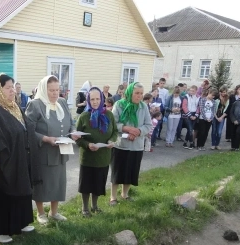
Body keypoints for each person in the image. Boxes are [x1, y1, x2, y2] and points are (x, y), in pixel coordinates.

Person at [0, 74, 41, 243]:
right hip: (3, 161)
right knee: (5, 194)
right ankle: (1, 231)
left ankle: (21, 222)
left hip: (20, 156)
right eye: (7, 88)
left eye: (13, 87)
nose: (12, 91)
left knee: (22, 188)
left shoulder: (13, 106)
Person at [26, 75, 79, 224]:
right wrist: (46, 139)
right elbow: (28, 129)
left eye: (57, 90)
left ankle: (54, 212)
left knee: (58, 182)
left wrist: (73, 132)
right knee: (42, 184)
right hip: (43, 152)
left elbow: (71, 122)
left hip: (61, 151)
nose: (55, 93)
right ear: (44, 89)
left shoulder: (62, 102)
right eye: (51, 90)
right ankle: (41, 213)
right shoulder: (35, 105)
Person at [75, 87, 117, 217]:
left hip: (103, 157)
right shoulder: (84, 116)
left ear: (102, 99)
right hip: (88, 158)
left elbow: (115, 131)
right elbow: (77, 137)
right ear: (88, 100)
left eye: (97, 99)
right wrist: (88, 144)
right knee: (86, 184)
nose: (95, 102)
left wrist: (112, 140)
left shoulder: (109, 115)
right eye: (92, 99)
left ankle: (95, 206)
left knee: (99, 183)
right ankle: (85, 208)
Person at [110, 82, 152, 203]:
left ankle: (125, 194)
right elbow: (113, 123)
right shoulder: (119, 105)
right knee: (117, 171)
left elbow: (148, 125)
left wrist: (138, 131)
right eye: (136, 93)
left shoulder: (143, 107)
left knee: (131, 171)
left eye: (141, 93)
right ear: (129, 93)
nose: (139, 96)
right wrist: (127, 129)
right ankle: (113, 197)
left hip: (136, 145)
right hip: (121, 145)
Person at [211, 86, 229, 150]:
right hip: (215, 116)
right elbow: (213, 108)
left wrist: (221, 117)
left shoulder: (227, 99)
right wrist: (216, 117)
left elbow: (227, 110)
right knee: (214, 131)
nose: (223, 93)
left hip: (222, 117)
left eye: (224, 92)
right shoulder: (216, 98)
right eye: (221, 92)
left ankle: (217, 144)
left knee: (219, 132)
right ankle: (213, 144)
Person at [181, 85, 199, 149]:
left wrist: (196, 115)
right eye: (190, 90)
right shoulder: (186, 97)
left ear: (196, 91)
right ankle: (191, 143)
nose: (191, 92)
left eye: (193, 91)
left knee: (190, 130)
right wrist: (190, 115)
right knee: (190, 129)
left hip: (194, 114)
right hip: (187, 114)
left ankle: (185, 143)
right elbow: (184, 106)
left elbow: (198, 107)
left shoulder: (198, 97)